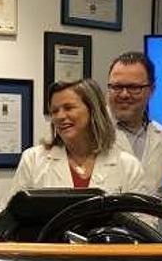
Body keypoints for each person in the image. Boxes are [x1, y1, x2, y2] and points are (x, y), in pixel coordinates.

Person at [10, 78, 148, 197]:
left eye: (68, 108)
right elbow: (12, 219)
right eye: (55, 111)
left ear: (92, 110)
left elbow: (144, 222)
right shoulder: (33, 160)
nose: (60, 116)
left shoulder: (127, 166)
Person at [107, 51, 162, 194]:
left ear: (151, 90)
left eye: (134, 87)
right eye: (117, 87)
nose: (124, 94)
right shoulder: (90, 133)